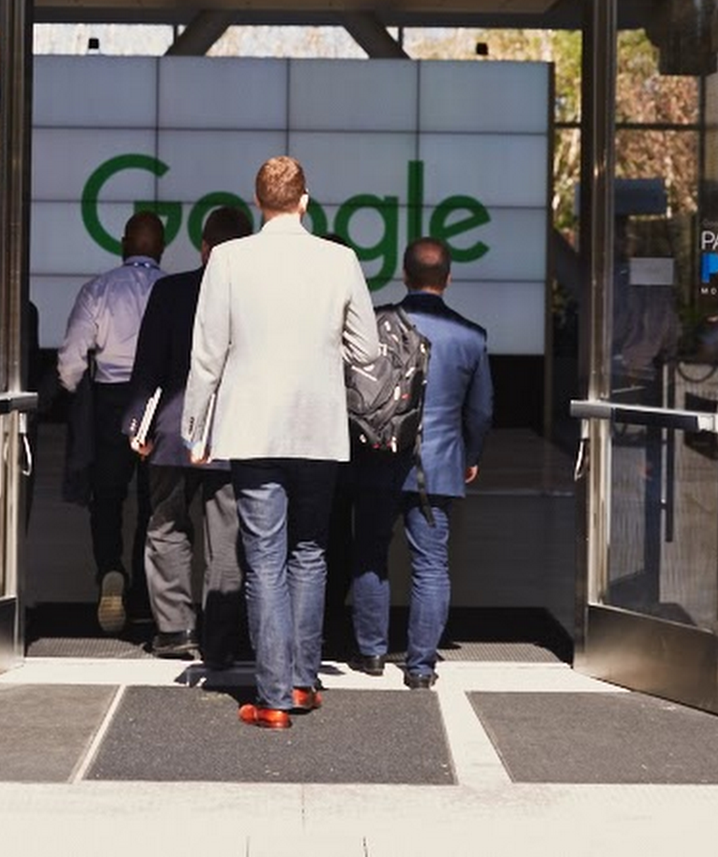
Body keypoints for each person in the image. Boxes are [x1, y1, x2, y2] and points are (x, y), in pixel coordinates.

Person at [182, 156, 380, 730]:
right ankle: (301, 681)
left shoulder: (228, 259)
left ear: (258, 201)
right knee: (310, 553)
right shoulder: (340, 260)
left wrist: (196, 428)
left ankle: (271, 699)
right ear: (305, 200)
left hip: (253, 427)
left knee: (264, 559)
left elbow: (207, 353)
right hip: (318, 425)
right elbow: (367, 350)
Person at [348, 238, 493, 689]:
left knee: (370, 553)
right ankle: (420, 666)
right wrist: (470, 456)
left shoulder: (376, 325)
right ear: (448, 278)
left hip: (378, 455)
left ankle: (372, 652)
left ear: (404, 275)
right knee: (430, 565)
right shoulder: (471, 337)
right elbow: (481, 411)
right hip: (439, 465)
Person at [124, 204, 255, 666]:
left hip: (173, 432)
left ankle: (175, 629)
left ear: (203, 247)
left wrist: (138, 424)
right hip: (235, 434)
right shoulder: (255, 298)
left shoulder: (170, 291)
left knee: (166, 527)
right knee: (228, 538)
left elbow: (148, 367)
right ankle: (220, 637)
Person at [58, 210, 167, 634]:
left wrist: (72, 391)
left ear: (124, 244)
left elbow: (71, 359)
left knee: (106, 496)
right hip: (157, 399)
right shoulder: (171, 289)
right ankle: (142, 593)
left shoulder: (99, 288)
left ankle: (109, 569)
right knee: (153, 501)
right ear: (161, 248)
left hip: (110, 400)